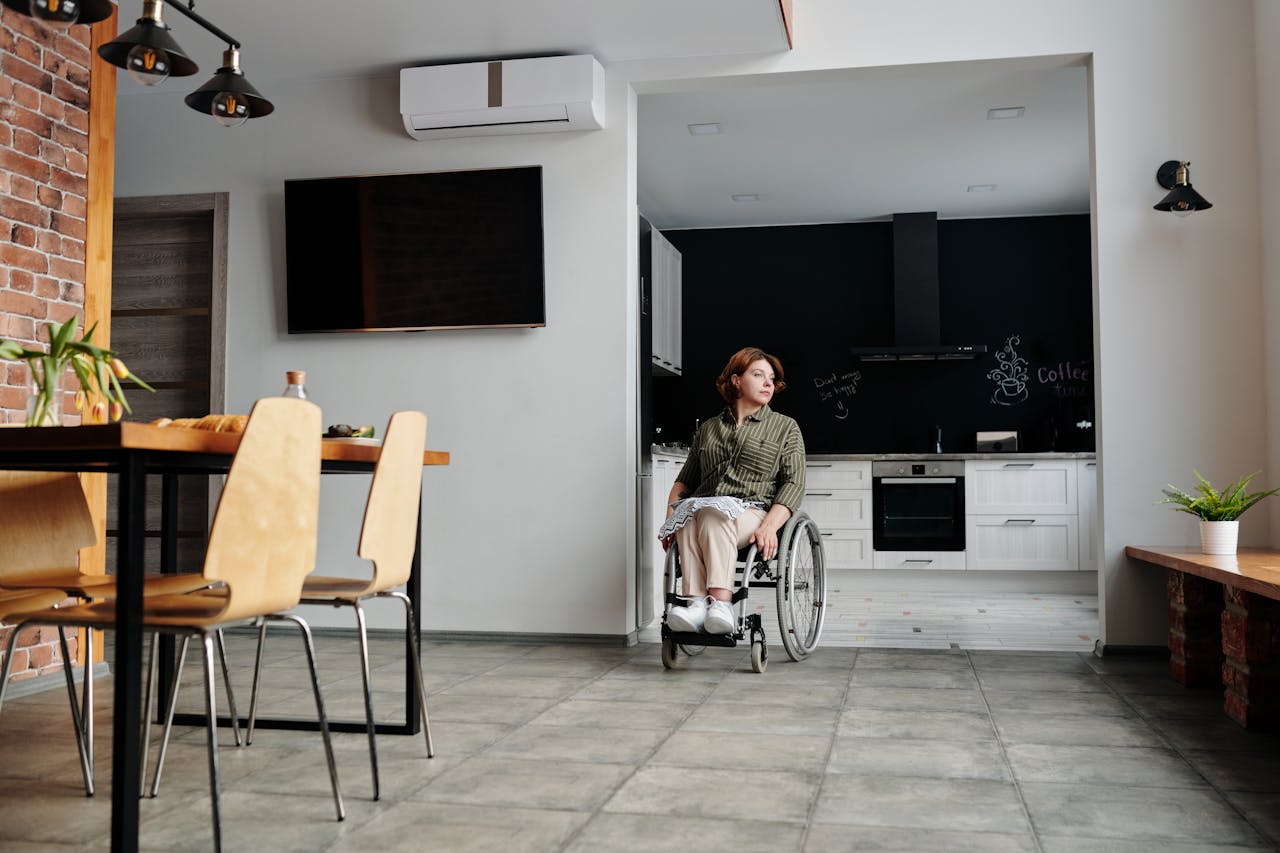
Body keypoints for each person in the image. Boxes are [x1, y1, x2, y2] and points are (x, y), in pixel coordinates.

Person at [659, 347, 806, 635]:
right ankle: (697, 605)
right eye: (758, 375)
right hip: (704, 511)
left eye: (771, 378)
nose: (768, 383)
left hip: (753, 511)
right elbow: (684, 482)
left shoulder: (785, 428)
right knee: (688, 516)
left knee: (709, 513)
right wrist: (670, 520)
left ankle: (721, 604)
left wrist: (769, 527)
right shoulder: (709, 429)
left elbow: (794, 484)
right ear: (736, 381)